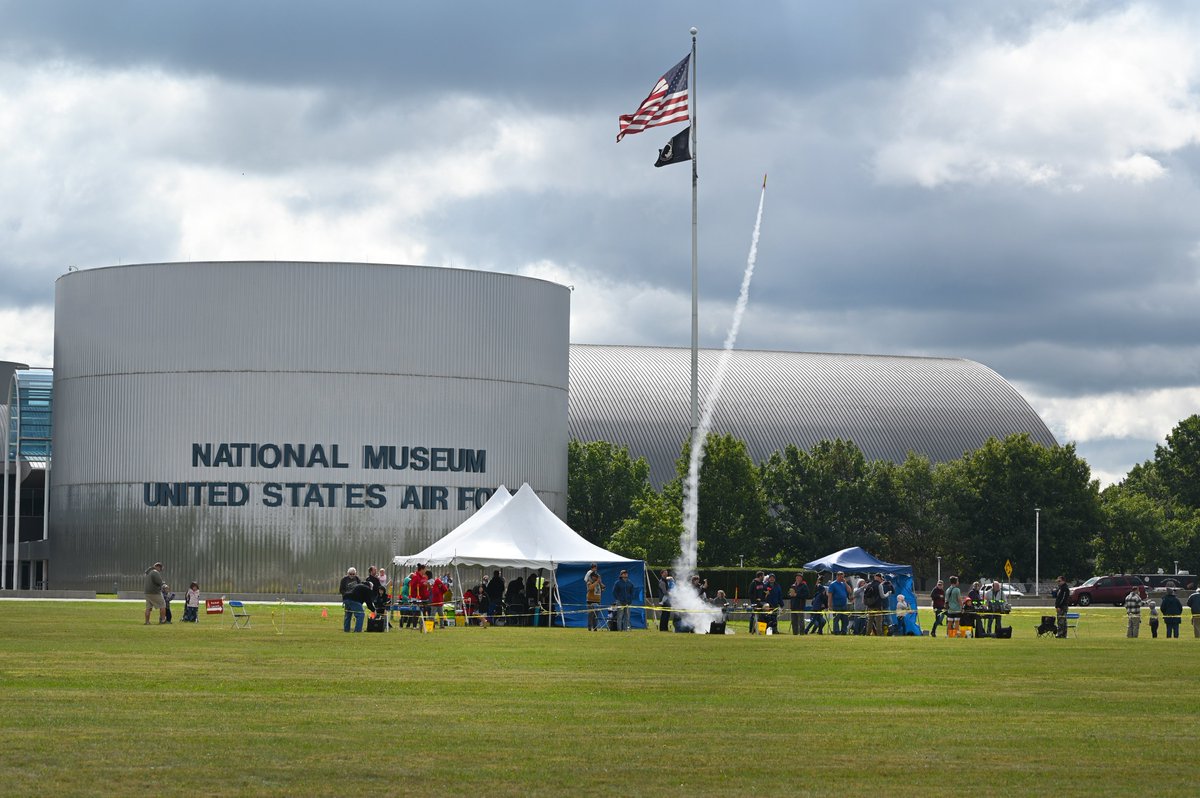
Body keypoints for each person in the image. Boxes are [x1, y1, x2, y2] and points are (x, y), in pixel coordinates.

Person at [340, 566, 364, 633]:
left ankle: (349, 630)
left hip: (355, 599)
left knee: (350, 614)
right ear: (348, 573)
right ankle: (355, 630)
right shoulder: (344, 580)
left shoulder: (357, 579)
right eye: (350, 574)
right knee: (357, 614)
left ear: (355, 574)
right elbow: (341, 590)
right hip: (348, 599)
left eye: (353, 574)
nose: (352, 575)